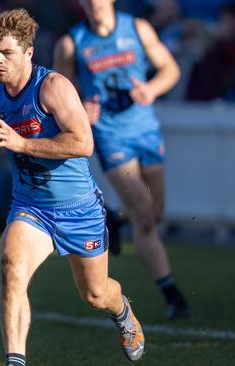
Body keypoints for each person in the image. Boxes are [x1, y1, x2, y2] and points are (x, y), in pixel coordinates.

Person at [0, 8, 145, 365]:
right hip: (30, 207)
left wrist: (21, 143)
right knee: (10, 267)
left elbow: (83, 143)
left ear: (29, 52)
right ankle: (15, 360)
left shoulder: (52, 87)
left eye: (7, 53)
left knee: (96, 294)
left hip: (78, 209)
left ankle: (123, 312)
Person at [53, 0, 190, 320]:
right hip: (110, 136)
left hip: (146, 131)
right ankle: (173, 295)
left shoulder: (138, 29)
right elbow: (58, 91)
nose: (94, 4)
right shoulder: (72, 43)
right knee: (144, 214)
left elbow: (171, 69)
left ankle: (115, 219)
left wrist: (151, 89)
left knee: (155, 212)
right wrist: (79, 108)